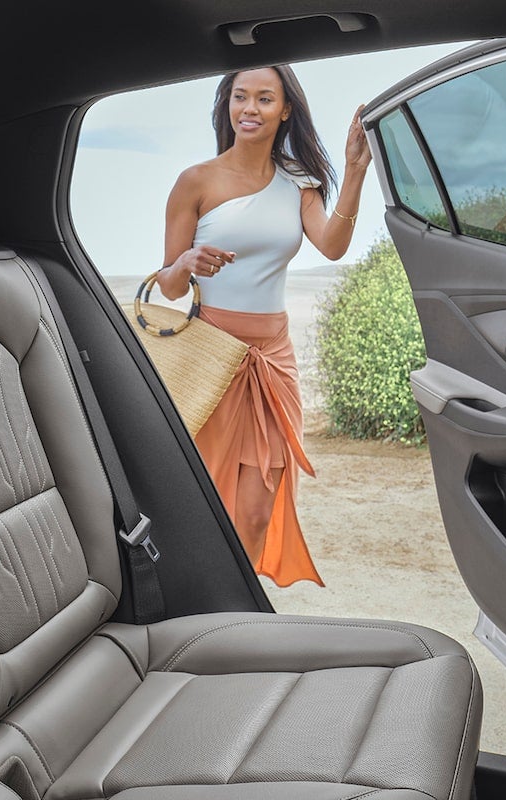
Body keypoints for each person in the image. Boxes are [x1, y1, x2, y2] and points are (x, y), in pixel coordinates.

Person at [155, 64, 370, 588]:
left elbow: (333, 245)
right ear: (227, 104)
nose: (250, 109)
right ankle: (202, 604)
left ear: (286, 109)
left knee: (256, 508)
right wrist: (186, 264)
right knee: (203, 499)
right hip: (211, 356)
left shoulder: (299, 180)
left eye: (265, 99)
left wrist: (354, 171)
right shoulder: (195, 181)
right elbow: (169, 284)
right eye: (240, 97)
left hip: (273, 359)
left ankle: (236, 612)